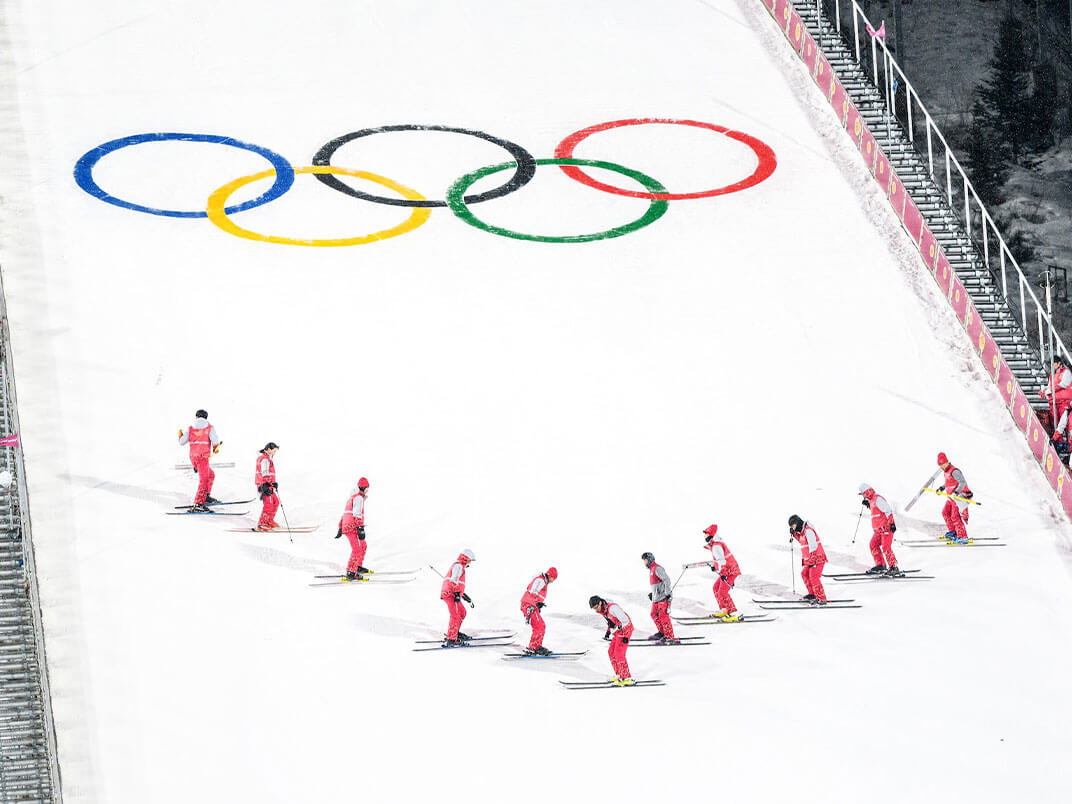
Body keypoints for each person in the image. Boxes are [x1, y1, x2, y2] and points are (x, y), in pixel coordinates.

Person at [178, 409, 220, 511]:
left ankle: (206, 496)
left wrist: (180, 435)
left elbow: (182, 442)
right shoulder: (209, 427)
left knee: (211, 475)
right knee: (204, 480)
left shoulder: (190, 428)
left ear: (196, 417)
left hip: (193, 457)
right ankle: (198, 504)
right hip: (203, 457)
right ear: (206, 417)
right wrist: (215, 448)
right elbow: (215, 441)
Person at [858, 483, 903, 577]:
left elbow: (888, 510)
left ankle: (893, 567)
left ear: (867, 492)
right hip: (878, 530)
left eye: (863, 494)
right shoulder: (872, 501)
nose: (863, 496)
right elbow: (877, 511)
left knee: (886, 547)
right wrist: (868, 505)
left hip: (886, 528)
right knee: (873, 545)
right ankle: (880, 565)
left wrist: (892, 524)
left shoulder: (877, 499)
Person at [588, 595, 634, 685]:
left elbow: (625, 620)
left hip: (625, 630)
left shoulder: (613, 608)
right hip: (618, 632)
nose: (596, 610)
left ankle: (626, 677)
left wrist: (623, 634)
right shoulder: (603, 610)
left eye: (596, 607)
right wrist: (608, 632)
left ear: (600, 603)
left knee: (619, 654)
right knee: (611, 652)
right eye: (594, 609)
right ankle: (619, 674)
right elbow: (611, 622)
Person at [703, 524, 742, 621]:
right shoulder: (715, 545)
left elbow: (722, 561)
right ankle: (724, 609)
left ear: (711, 534)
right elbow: (719, 559)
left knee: (722, 592)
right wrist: (715, 567)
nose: (704, 536)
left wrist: (723, 573)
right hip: (727, 571)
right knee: (716, 588)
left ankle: (733, 613)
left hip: (730, 571)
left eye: (706, 534)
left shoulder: (716, 546)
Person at [788, 515, 828, 604]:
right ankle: (812, 594)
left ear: (797, 523)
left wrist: (812, 560)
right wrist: (794, 534)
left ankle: (821, 598)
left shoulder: (808, 531)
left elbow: (813, 545)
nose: (794, 528)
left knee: (814, 577)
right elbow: (802, 540)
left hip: (817, 559)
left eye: (793, 526)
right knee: (804, 574)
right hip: (810, 560)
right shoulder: (803, 532)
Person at [335, 477, 370, 580]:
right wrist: (360, 528)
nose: (368, 490)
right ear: (363, 488)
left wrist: (340, 527)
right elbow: (357, 513)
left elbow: (345, 513)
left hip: (349, 526)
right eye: (367, 488)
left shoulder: (351, 498)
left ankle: (357, 566)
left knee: (363, 545)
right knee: (357, 550)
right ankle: (351, 571)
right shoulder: (358, 498)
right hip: (352, 526)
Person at [440, 549, 475, 646]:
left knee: (462, 612)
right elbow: (454, 580)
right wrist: (456, 594)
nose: (470, 563)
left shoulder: (460, 567)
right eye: (469, 560)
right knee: (455, 615)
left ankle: (455, 633)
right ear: (465, 558)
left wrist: (466, 598)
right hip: (450, 594)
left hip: (453, 594)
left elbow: (458, 585)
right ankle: (451, 639)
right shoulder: (458, 566)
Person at [641, 552, 678, 643]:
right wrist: (653, 594)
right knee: (653, 614)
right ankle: (662, 632)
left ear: (650, 559)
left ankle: (669, 636)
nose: (644, 562)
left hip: (663, 597)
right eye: (644, 560)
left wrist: (667, 593)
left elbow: (667, 580)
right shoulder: (651, 569)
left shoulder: (657, 568)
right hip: (657, 598)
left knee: (663, 616)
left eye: (645, 560)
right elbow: (657, 584)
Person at [520, 567, 558, 655]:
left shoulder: (543, 581)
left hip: (531, 605)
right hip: (529, 605)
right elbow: (533, 591)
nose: (553, 581)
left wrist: (538, 604)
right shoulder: (541, 580)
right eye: (553, 578)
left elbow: (536, 594)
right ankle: (533, 647)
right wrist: (532, 605)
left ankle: (536, 646)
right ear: (550, 576)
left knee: (541, 625)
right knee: (539, 626)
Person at [937, 452, 973, 543]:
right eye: (939, 465)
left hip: (959, 497)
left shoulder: (954, 471)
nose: (941, 467)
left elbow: (962, 482)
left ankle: (962, 536)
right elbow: (948, 482)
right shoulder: (946, 472)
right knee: (945, 512)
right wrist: (941, 488)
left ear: (946, 462)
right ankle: (953, 532)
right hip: (951, 497)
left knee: (955, 516)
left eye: (941, 465)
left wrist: (956, 492)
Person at [1041, 356, 1072, 448]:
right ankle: (1059, 442)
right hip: (1054, 403)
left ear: (1059, 363)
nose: (1052, 366)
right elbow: (1049, 386)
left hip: (1064, 402)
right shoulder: (1052, 375)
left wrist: (1049, 390)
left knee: (1066, 424)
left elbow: (1063, 384)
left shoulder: (1066, 372)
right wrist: (1043, 391)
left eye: (1054, 364)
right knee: (1056, 424)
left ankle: (1068, 443)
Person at [254, 442, 280, 531]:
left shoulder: (268, 458)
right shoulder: (264, 459)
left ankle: (269, 520)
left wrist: (273, 483)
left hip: (269, 484)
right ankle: (262, 524)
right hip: (264, 485)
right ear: (269, 449)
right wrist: (264, 485)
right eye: (274, 451)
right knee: (268, 504)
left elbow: (269, 474)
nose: (275, 453)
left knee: (275, 502)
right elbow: (264, 473)